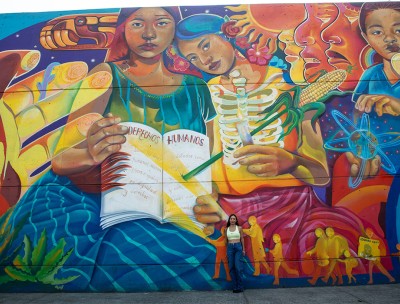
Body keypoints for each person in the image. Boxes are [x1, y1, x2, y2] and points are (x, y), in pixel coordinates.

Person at [7, 7, 220, 292]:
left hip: (174, 208)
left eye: (161, 22)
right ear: (123, 29)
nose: (148, 33)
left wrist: (209, 198)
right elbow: (60, 158)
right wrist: (90, 155)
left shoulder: (197, 88)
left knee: (196, 251)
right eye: (137, 23)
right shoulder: (106, 75)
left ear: (174, 31)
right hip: (93, 201)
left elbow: (211, 164)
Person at [176, 13, 367, 279]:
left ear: (228, 33)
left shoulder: (289, 86)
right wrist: (205, 198)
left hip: (294, 212)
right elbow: (207, 165)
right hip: (231, 215)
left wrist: (292, 161)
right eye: (193, 58)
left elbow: (321, 176)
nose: (204, 60)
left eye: (205, 45)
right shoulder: (206, 94)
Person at [225, 214, 245, 293]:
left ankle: (240, 286)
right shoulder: (226, 229)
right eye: (231, 219)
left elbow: (242, 239)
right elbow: (226, 241)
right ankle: (235, 286)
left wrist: (243, 249)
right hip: (230, 248)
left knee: (237, 267)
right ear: (229, 220)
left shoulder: (239, 228)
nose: (232, 220)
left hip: (238, 247)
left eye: (234, 219)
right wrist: (227, 251)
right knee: (231, 268)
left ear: (236, 220)